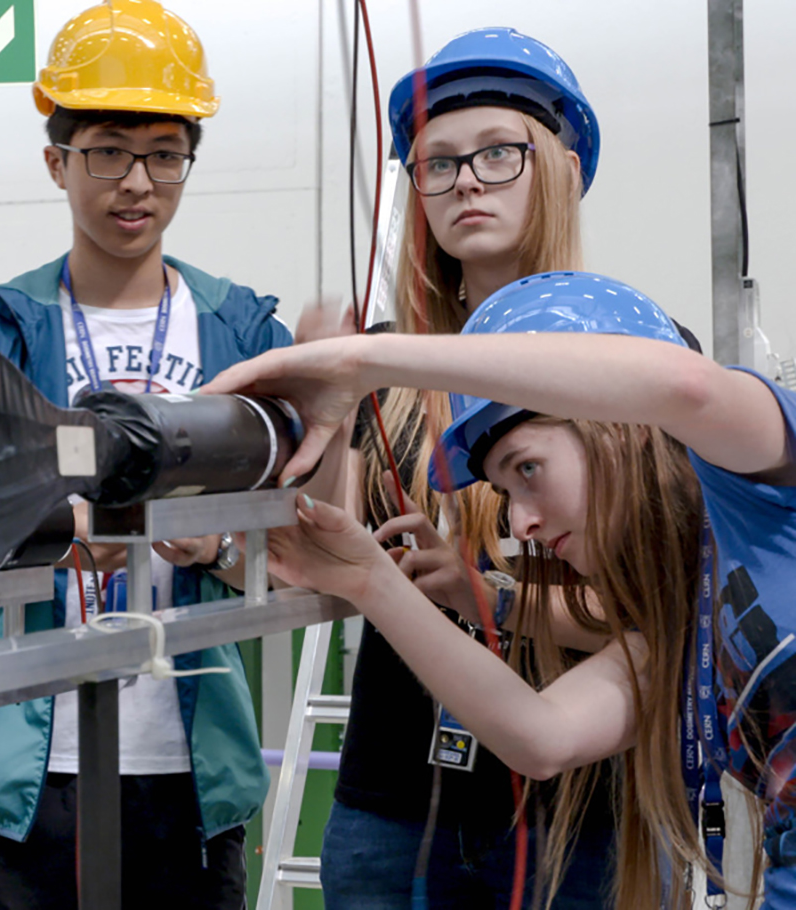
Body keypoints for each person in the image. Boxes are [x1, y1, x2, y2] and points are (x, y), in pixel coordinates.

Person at [204, 271, 796, 908]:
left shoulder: (760, 481)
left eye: (528, 469)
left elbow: (686, 387)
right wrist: (369, 580)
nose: (520, 523)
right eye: (506, 491)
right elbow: (540, 737)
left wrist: (361, 360)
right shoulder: (679, 623)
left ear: (621, 423)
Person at [0, 1, 289, 906]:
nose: (138, 182)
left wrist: (225, 540)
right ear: (57, 160)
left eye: (165, 153)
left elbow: (308, 519)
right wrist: (55, 521)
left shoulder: (240, 331)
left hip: (191, 761)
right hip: (23, 768)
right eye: (108, 151)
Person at [317, 27, 615, 908]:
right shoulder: (376, 364)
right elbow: (328, 576)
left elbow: (661, 622)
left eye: (497, 153)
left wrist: (484, 597)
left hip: (585, 819)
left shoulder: (637, 353)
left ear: (559, 166)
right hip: (393, 810)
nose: (466, 181)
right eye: (437, 164)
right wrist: (324, 410)